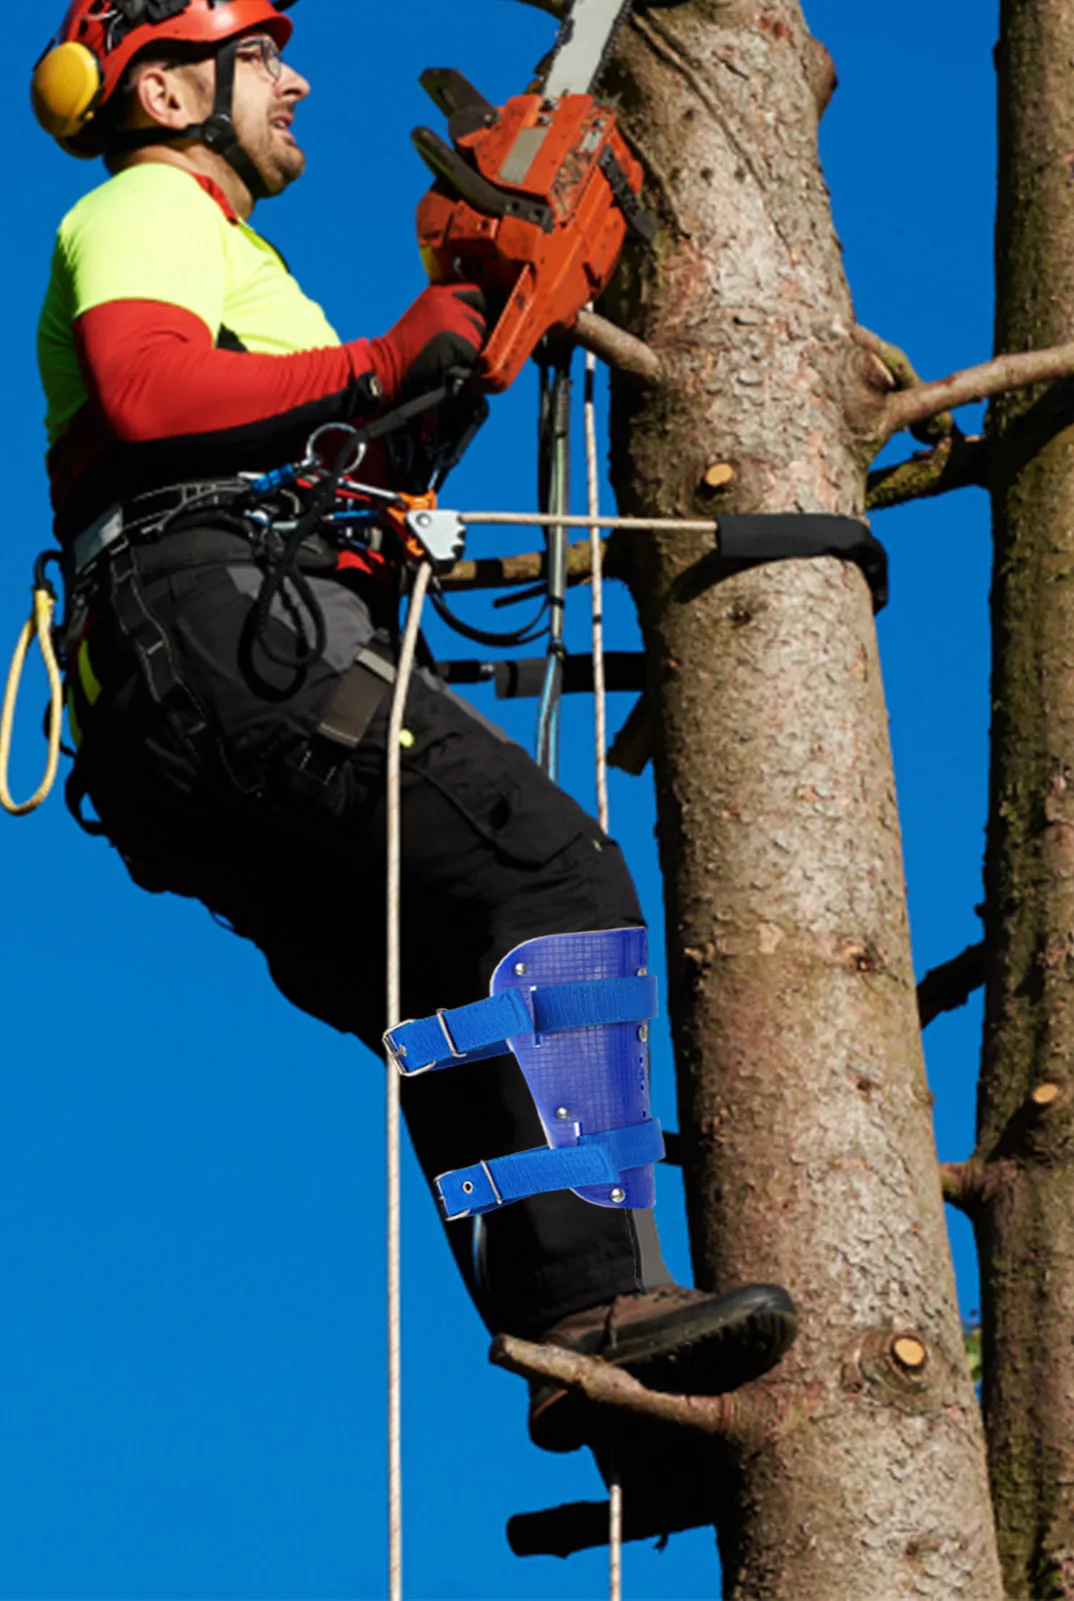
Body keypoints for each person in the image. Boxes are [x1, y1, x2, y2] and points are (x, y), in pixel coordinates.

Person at [29, 0, 796, 1469]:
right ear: (172, 89)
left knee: (450, 982)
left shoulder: (247, 266)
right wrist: (382, 365)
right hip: (221, 630)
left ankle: (584, 1351)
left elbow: (327, 440)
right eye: (262, 56)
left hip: (197, 684)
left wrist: (462, 338)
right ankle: (611, 1304)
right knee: (555, 881)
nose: (297, 78)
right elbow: (143, 386)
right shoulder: (140, 209)